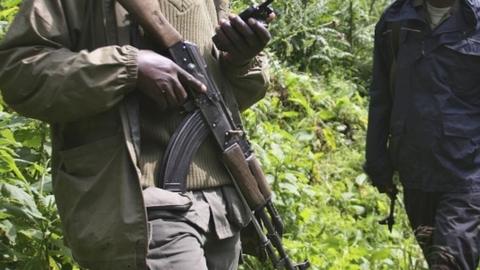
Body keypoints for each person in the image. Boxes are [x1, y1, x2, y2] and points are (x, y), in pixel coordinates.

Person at [0, 0, 273, 269]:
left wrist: (239, 60)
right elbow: (19, 72)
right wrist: (127, 67)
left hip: (222, 209)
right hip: (144, 209)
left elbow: (211, 98)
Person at [365, 0, 480, 269]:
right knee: (435, 258)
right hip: (415, 173)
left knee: (449, 261)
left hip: (468, 176)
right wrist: (377, 161)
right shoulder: (394, 21)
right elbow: (381, 97)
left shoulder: (474, 20)